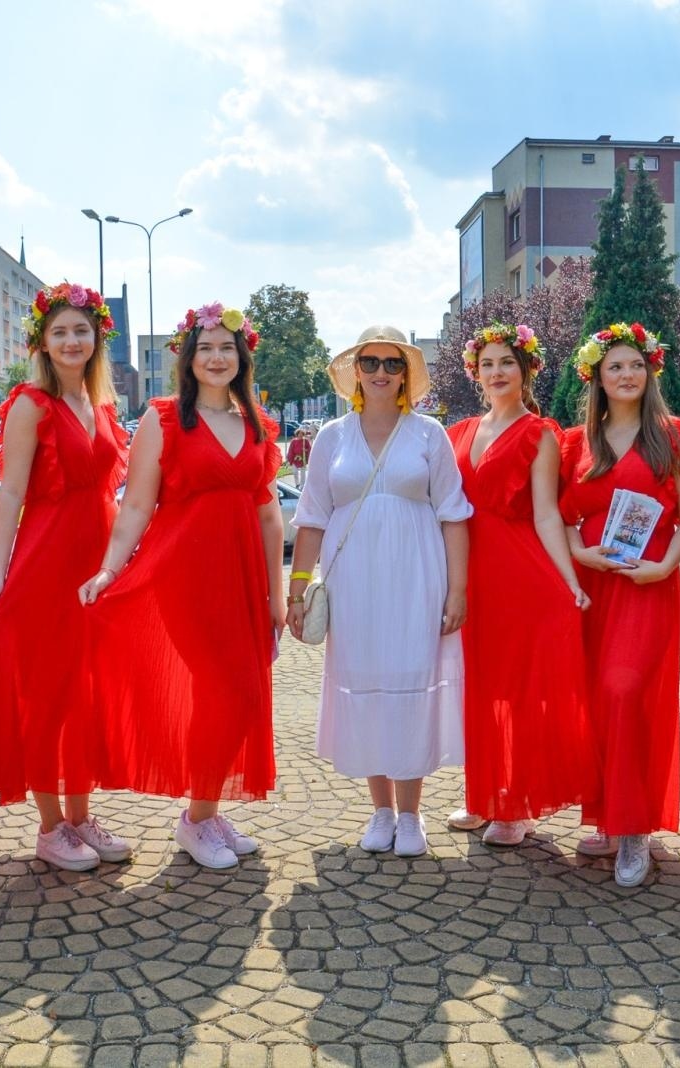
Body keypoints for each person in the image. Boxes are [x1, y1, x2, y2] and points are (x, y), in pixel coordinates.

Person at [79, 303, 284, 870]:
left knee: (238, 697)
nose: (216, 358)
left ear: (241, 357)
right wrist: (109, 570)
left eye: (226, 348)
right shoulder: (164, 418)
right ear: (188, 358)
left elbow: (269, 515)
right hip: (185, 576)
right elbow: (138, 504)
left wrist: (278, 595)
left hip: (244, 579)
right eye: (205, 348)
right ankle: (196, 819)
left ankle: (207, 808)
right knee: (229, 691)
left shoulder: (256, 423)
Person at [288, 326, 472, 858]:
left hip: (418, 576)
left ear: (406, 374)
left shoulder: (428, 435)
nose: (381, 373)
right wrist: (298, 589)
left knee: (411, 682)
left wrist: (457, 590)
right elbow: (313, 516)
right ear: (357, 372)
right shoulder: (332, 437)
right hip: (354, 581)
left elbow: (454, 514)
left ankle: (411, 813)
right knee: (363, 680)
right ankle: (381, 809)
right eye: (371, 362)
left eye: (393, 364)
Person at [0, 283, 133, 872]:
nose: (71, 340)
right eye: (60, 331)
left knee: (85, 697)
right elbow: (10, 491)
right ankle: (50, 827)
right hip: (45, 567)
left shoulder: (102, 407)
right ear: (42, 341)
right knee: (44, 697)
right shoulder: (30, 404)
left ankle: (80, 814)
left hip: (94, 568)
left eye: (82, 331)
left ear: (97, 339)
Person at [561, 323, 680, 888]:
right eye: (615, 366)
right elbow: (559, 516)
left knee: (626, 694)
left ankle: (636, 828)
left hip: (647, 584)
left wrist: (666, 565)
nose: (627, 375)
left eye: (636, 366)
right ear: (597, 375)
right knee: (595, 701)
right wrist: (581, 554)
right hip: (591, 585)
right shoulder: (576, 442)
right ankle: (606, 816)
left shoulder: (674, 437)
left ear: (651, 374)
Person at [446, 323, 598, 849]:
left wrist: (568, 579)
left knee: (519, 692)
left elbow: (546, 515)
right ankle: (483, 794)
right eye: (487, 364)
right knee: (482, 688)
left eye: (506, 362)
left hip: (522, 573)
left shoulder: (541, 433)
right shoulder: (459, 432)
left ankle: (517, 803)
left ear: (526, 368)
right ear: (475, 373)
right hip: (473, 572)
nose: (496, 372)